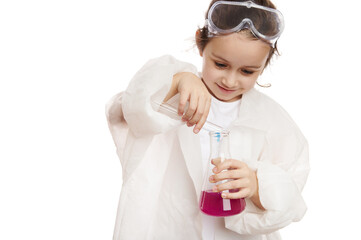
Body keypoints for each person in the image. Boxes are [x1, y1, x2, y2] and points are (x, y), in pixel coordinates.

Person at [106, 0, 310, 239]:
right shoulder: (175, 93)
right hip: (169, 229)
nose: (230, 81)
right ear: (200, 44)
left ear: (265, 64)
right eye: (220, 64)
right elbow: (125, 109)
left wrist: (257, 186)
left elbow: (291, 200)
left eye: (247, 71)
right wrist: (176, 81)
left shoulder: (272, 122)